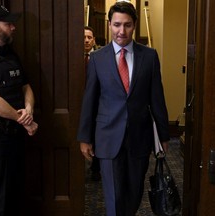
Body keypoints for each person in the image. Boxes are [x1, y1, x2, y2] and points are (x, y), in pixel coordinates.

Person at [77, 1, 169, 215]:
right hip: (108, 137)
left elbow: (157, 99)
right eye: (117, 25)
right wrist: (84, 137)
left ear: (134, 25)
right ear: (110, 24)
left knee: (134, 192)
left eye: (127, 25)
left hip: (140, 136)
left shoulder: (149, 56)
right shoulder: (97, 59)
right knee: (114, 195)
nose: (121, 31)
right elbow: (90, 99)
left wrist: (163, 136)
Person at [0, 5, 38, 216]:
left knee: (14, 193)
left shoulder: (11, 54)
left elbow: (25, 85)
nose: (13, 27)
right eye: (8, 23)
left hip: (15, 136)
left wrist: (28, 108)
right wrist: (25, 120)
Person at [83, 26, 101, 181]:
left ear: (94, 40)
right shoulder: (73, 59)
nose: (87, 40)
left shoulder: (100, 58)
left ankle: (96, 168)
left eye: (89, 37)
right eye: (83, 37)